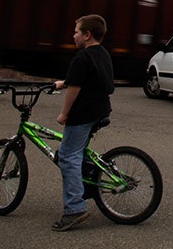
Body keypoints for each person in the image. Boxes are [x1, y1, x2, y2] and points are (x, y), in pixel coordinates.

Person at [51, 14, 114, 232]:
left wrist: (64, 114)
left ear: (87, 35)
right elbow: (85, 78)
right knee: (74, 152)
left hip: (83, 114)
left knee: (67, 156)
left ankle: (74, 208)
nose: (73, 35)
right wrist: (63, 82)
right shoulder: (102, 54)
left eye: (77, 31)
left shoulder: (81, 57)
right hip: (100, 110)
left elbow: (75, 88)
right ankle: (85, 181)